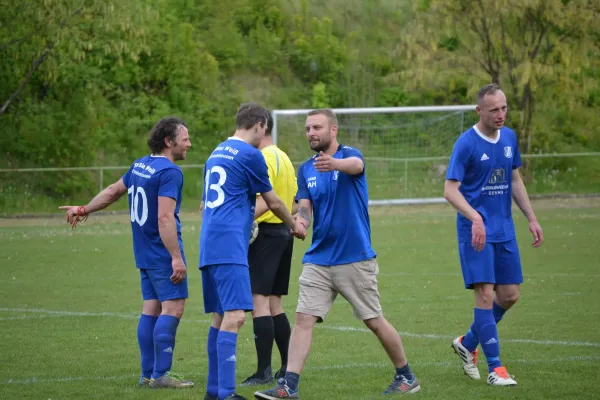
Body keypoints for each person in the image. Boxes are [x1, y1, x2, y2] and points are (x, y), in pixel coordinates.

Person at [255, 109, 421, 400]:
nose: (311, 133)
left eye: (317, 127)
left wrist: (335, 164)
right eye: (307, 129)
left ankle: (406, 375)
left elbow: (356, 165)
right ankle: (289, 385)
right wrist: (301, 223)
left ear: (333, 130)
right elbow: (304, 206)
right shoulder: (306, 169)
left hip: (354, 257)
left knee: (373, 320)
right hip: (319, 259)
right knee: (303, 319)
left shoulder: (349, 156)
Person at [59, 117, 194, 389]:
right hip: (160, 253)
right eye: (185, 138)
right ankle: (161, 375)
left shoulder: (140, 164)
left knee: (151, 308)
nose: (189, 143)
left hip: (143, 252)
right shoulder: (170, 172)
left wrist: (83, 209)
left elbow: (112, 192)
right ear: (169, 142)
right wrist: (176, 257)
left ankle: (148, 374)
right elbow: (165, 218)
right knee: (174, 308)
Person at [199, 103, 304, 400]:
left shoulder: (216, 152)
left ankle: (213, 391)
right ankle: (227, 394)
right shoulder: (250, 155)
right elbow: (273, 201)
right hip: (230, 243)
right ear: (259, 124)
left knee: (219, 316)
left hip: (209, 242)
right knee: (236, 316)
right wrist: (293, 224)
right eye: (264, 129)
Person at [444, 83, 544, 386]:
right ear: (479, 111)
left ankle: (467, 342)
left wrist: (531, 217)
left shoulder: (510, 138)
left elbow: (514, 179)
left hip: (504, 230)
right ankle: (496, 368)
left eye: (504, 108)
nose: (501, 114)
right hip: (475, 233)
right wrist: (474, 216)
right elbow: (450, 190)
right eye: (494, 110)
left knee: (509, 295)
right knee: (486, 294)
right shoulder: (466, 144)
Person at [240, 111, 298, 387]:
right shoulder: (283, 157)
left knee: (258, 302)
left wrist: (242, 219)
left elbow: (268, 200)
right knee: (274, 303)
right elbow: (294, 202)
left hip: (265, 235)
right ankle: (288, 366)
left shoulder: (263, 158)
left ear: (261, 129)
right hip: (283, 233)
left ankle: (263, 370)